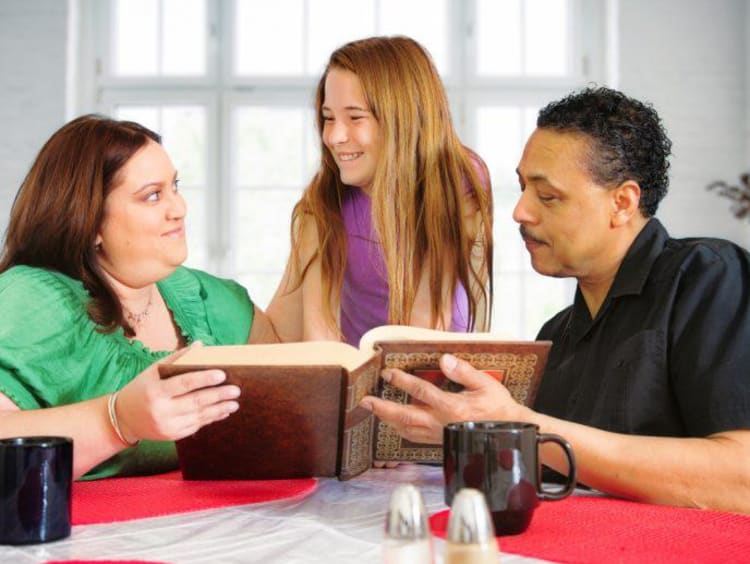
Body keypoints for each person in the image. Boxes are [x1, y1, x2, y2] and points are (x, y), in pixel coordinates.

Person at [360, 87, 750, 514]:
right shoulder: (556, 335)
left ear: (622, 203)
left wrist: (522, 427)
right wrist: (446, 431)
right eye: (523, 188)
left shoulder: (708, 276)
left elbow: (740, 478)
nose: (520, 212)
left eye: (547, 196)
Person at [0, 115, 279, 480]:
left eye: (174, 186)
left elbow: (299, 376)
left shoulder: (207, 298)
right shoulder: (32, 300)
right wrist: (117, 420)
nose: (179, 209)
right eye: (152, 196)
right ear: (92, 222)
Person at [266, 36, 493, 345]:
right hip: (356, 371)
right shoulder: (325, 197)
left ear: (404, 117)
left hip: (430, 367)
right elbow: (315, 332)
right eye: (328, 117)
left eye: (355, 117)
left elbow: (425, 325)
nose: (333, 136)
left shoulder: (455, 178)